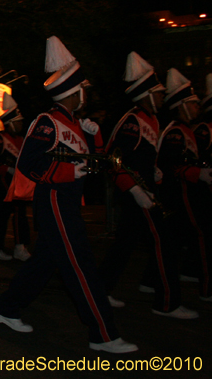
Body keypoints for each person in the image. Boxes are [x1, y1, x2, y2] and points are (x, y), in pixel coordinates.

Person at [0, 37, 137, 354]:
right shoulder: (47, 121)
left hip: (68, 203)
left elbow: (89, 165)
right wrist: (69, 172)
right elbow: (29, 164)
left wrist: (94, 141)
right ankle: (103, 334)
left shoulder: (74, 123)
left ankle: (5, 308)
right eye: (83, 87)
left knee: (45, 263)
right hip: (55, 202)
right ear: (73, 91)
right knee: (81, 265)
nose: (86, 92)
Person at [99, 53, 197, 318]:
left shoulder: (151, 119)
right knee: (164, 245)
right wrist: (135, 189)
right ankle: (167, 303)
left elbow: (140, 156)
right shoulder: (132, 121)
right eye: (159, 92)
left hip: (144, 193)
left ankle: (101, 291)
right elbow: (114, 159)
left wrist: (151, 170)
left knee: (124, 244)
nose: (163, 97)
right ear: (147, 94)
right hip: (138, 195)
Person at [157, 68, 212, 301]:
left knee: (174, 242)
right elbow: (171, 164)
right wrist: (197, 173)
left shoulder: (186, 130)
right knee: (202, 236)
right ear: (182, 105)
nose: (197, 107)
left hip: (187, 194)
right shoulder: (177, 132)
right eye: (193, 104)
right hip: (179, 195)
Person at [0, 92, 31, 262]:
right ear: (10, 124)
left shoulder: (20, 139)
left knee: (5, 216)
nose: (21, 124)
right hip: (3, 183)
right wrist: (7, 169)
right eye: (18, 122)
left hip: (17, 182)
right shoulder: (0, 138)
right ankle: (18, 246)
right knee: (16, 213)